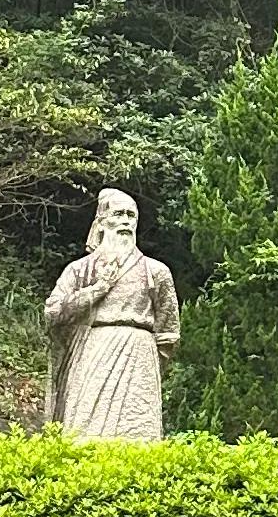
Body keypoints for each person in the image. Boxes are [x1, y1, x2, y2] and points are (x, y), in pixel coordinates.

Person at [42, 189, 180, 441]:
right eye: (118, 214)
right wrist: (96, 290)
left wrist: (149, 362)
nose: (126, 221)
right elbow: (52, 313)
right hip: (92, 351)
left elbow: (169, 331)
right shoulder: (79, 270)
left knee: (138, 437)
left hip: (140, 357)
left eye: (131, 215)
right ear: (102, 222)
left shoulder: (156, 271)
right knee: (84, 433)